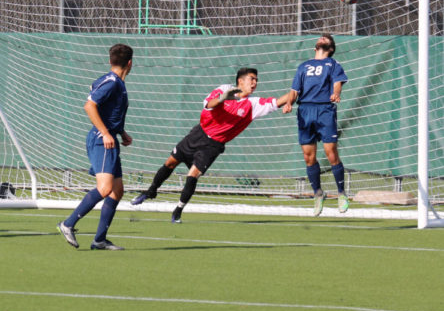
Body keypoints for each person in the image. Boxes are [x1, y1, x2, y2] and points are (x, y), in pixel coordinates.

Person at [130, 67, 293, 222]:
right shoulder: (224, 89)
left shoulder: (253, 104)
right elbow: (208, 105)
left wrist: (296, 91)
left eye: (256, 80)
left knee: (193, 175)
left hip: (213, 145)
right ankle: (151, 191)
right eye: (252, 79)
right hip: (198, 134)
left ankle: (178, 210)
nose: (255, 83)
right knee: (170, 163)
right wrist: (223, 98)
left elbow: (278, 101)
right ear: (240, 81)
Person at [57, 44, 133, 251]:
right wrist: (107, 133)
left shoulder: (116, 82)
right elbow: (89, 106)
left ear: (110, 61)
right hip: (101, 139)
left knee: (117, 191)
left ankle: (99, 240)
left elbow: (110, 112)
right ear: (130, 63)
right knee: (105, 188)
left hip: (109, 138)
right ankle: (68, 223)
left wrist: (121, 132)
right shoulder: (112, 83)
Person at [283, 34, 349, 216]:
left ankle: (342, 193)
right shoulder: (303, 66)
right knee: (308, 157)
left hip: (324, 110)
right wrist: (289, 102)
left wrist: (336, 93)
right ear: (315, 47)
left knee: (331, 153)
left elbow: (337, 83)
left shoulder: (333, 64)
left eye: (326, 39)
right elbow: (294, 90)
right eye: (321, 37)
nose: (322, 38)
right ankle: (318, 193)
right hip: (305, 111)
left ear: (330, 48)